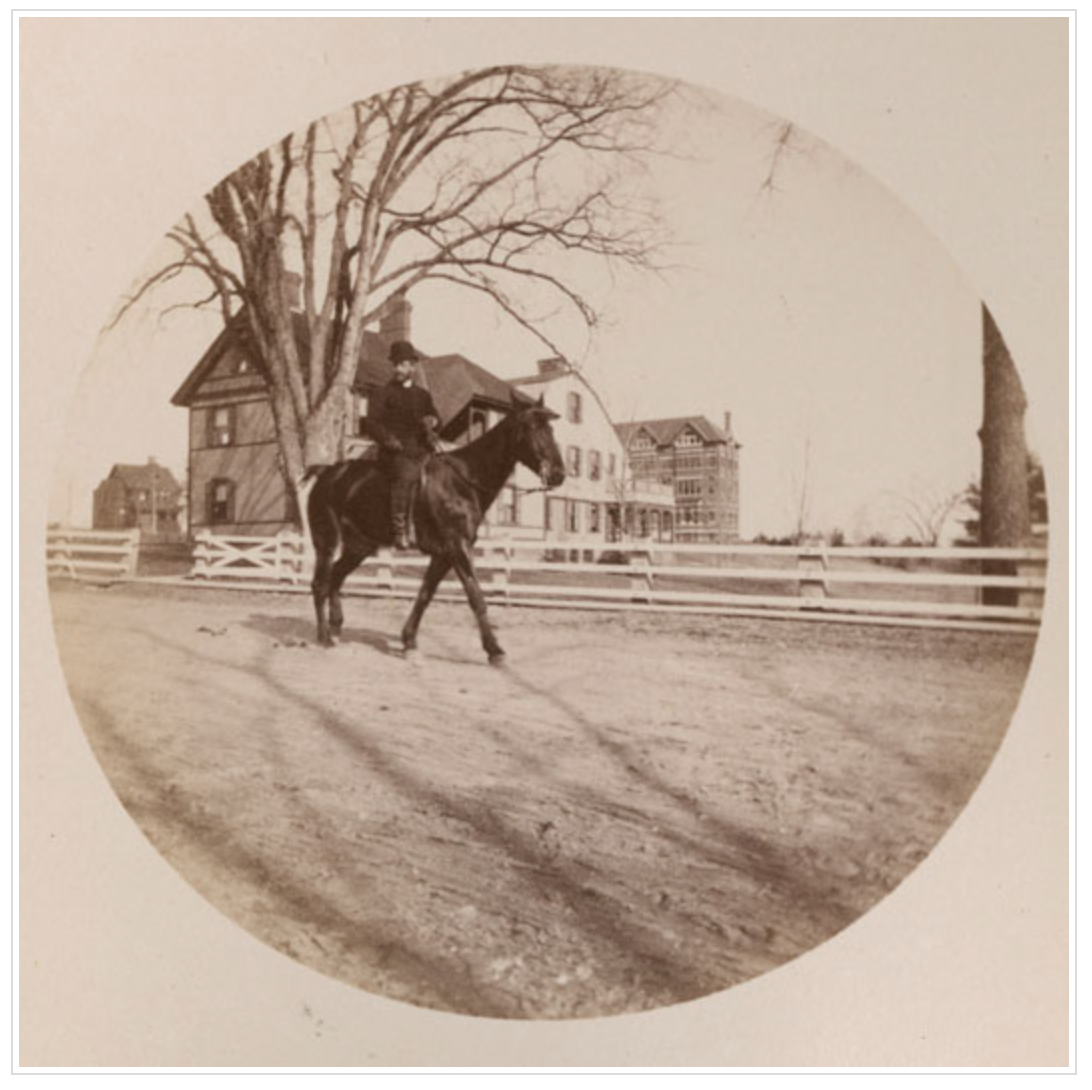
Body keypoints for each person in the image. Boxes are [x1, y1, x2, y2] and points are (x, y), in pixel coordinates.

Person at [365, 340, 441, 549]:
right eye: (396, 364)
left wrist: (432, 422)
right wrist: (388, 439)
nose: (400, 369)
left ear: (413, 367)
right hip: (395, 452)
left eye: (404, 364)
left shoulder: (423, 395)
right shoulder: (383, 392)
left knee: (442, 473)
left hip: (422, 449)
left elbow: (436, 417)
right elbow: (371, 423)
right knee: (407, 474)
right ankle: (400, 529)